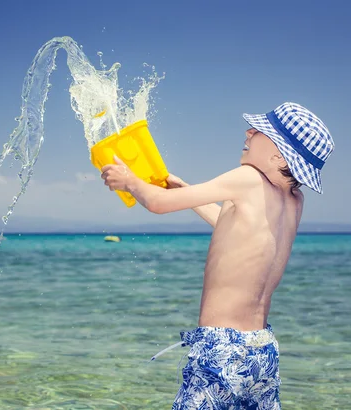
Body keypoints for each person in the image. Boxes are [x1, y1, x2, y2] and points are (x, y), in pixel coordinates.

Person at [100, 102, 335, 409]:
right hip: (262, 350)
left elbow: (157, 203)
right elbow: (244, 233)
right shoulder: (295, 200)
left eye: (261, 131)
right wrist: (186, 190)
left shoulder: (247, 177)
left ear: (278, 156)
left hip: (222, 347)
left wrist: (129, 181)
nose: (249, 131)